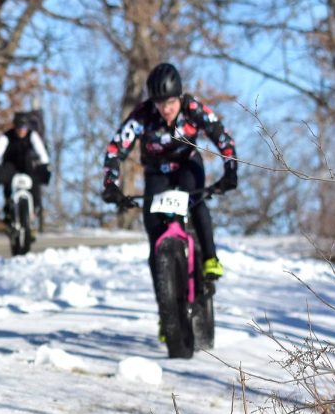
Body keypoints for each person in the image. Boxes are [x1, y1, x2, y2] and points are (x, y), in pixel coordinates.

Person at [100, 62, 238, 281]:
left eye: (171, 102)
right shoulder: (143, 115)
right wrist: (110, 184)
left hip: (188, 164)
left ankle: (210, 258)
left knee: (196, 201)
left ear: (179, 97)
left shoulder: (191, 108)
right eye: (160, 103)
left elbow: (221, 136)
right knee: (153, 229)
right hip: (157, 171)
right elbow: (116, 148)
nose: (166, 109)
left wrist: (231, 171)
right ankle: (166, 310)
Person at [0, 110, 51, 226]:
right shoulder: (6, 137)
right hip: (11, 165)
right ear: (15, 127)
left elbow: (42, 152)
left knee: (34, 182)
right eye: (19, 128)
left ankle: (35, 209)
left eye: (23, 128)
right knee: (7, 181)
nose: (21, 131)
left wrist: (45, 164)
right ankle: (8, 208)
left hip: (27, 166)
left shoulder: (32, 136)